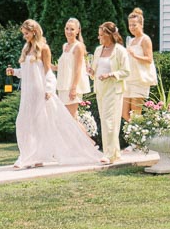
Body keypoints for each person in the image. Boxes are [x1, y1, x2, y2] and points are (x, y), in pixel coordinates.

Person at [6, 20, 105, 168]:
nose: (24, 36)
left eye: (26, 33)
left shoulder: (44, 49)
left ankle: (34, 158)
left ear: (34, 32)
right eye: (23, 34)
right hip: (28, 94)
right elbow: (28, 72)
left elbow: (47, 72)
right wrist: (14, 72)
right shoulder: (26, 48)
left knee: (42, 124)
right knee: (23, 123)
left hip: (40, 92)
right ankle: (30, 156)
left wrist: (49, 89)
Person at [89, 22, 129, 162]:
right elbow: (95, 72)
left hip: (114, 90)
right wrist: (91, 71)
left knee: (109, 121)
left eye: (101, 35)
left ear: (109, 35)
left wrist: (110, 75)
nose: (99, 37)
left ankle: (108, 154)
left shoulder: (120, 50)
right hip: (100, 90)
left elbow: (126, 71)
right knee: (106, 121)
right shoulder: (98, 50)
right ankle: (115, 153)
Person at [56, 18, 91, 127]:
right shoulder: (64, 46)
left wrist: (74, 88)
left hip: (72, 87)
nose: (69, 31)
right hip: (63, 87)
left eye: (72, 29)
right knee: (67, 119)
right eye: (67, 28)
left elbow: (77, 69)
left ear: (77, 31)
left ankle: (89, 143)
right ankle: (83, 143)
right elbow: (64, 67)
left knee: (71, 119)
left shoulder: (78, 46)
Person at [123, 8, 155, 120]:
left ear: (141, 24)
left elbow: (149, 59)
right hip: (129, 80)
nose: (131, 28)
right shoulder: (130, 41)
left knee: (136, 114)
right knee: (124, 113)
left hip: (140, 80)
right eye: (130, 25)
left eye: (134, 25)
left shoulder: (145, 39)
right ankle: (135, 132)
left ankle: (139, 135)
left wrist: (135, 55)